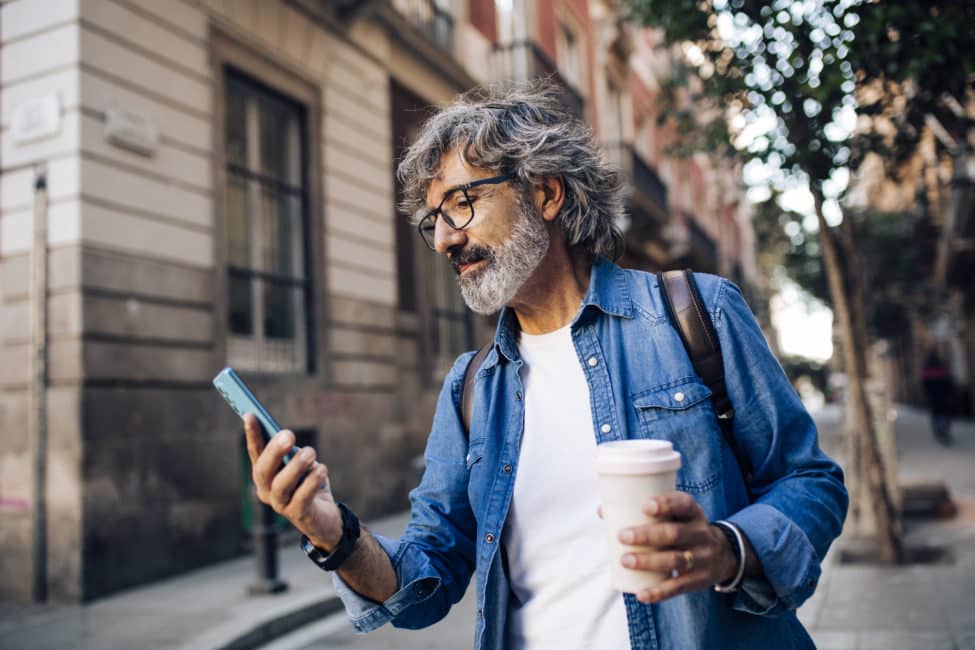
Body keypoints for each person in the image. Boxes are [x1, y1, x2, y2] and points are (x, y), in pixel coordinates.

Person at [244, 84, 848, 649]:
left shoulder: (697, 313)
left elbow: (811, 482)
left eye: (462, 204)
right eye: (434, 221)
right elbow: (424, 585)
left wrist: (727, 550)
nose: (444, 241)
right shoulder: (471, 387)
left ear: (545, 193)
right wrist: (333, 534)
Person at [921, 350, 954, 445]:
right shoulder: (942, 367)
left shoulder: (927, 369)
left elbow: (925, 385)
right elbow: (948, 382)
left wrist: (927, 395)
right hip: (943, 396)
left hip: (933, 397)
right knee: (944, 414)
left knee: (936, 414)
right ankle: (944, 432)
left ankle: (939, 432)